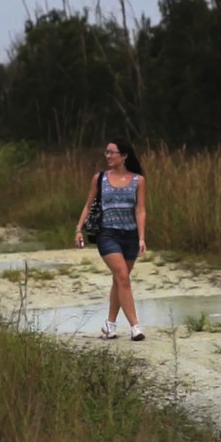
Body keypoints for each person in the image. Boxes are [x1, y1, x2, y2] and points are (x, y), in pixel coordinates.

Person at [75, 138, 147, 341]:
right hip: (108, 235)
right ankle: (135, 327)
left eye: (111, 153)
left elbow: (140, 210)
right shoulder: (100, 179)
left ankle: (110, 325)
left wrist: (141, 238)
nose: (107, 156)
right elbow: (88, 205)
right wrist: (78, 229)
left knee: (119, 280)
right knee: (123, 277)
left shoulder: (138, 180)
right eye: (106, 152)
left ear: (124, 156)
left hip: (131, 236)